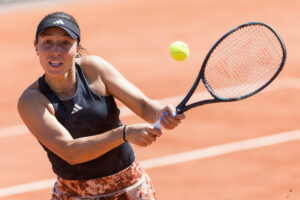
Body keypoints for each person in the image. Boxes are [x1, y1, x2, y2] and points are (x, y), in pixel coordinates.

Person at [17, 11, 185, 200]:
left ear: (78, 47)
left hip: (130, 187)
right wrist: (124, 133)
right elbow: (70, 151)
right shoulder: (32, 100)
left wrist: (162, 113)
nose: (56, 50)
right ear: (36, 47)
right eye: (48, 41)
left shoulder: (94, 70)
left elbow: (145, 106)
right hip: (75, 195)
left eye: (65, 42)